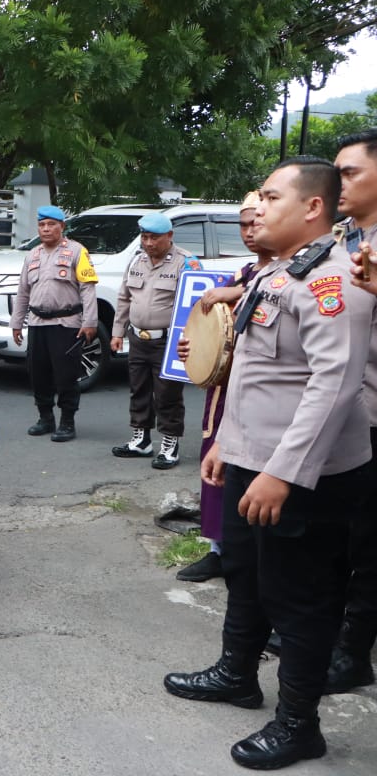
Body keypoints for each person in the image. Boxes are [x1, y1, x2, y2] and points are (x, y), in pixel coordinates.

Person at [165, 157, 374, 770]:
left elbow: (334, 385)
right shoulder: (279, 275)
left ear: (314, 208)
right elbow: (254, 372)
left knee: (303, 599)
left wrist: (283, 472)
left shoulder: (334, 282)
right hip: (253, 460)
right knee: (245, 570)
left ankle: (298, 723)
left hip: (305, 475)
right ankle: (236, 673)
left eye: (272, 197)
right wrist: (230, 443)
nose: (257, 207)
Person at [173, 192, 269, 583]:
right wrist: (192, 350)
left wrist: (239, 293)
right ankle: (218, 549)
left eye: (255, 223)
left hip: (262, 396)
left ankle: (248, 559)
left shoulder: (289, 272)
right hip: (224, 391)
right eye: (243, 225)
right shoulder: (243, 272)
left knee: (250, 474)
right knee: (213, 464)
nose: (248, 232)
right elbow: (216, 333)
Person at [336, 127, 377, 693]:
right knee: (343, 535)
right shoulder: (341, 238)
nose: (337, 181)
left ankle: (353, 651)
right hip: (344, 410)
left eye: (350, 173)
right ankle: (329, 631)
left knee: (369, 542)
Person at [109, 213, 200, 468]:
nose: (148, 243)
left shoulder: (186, 263)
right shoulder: (137, 260)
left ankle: (170, 444)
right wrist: (117, 332)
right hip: (138, 338)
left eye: (154, 238)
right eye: (145, 237)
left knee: (167, 394)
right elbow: (124, 298)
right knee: (138, 389)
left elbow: (195, 306)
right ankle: (141, 440)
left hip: (168, 342)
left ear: (169, 236)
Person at [9, 205, 98, 442]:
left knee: (66, 375)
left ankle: (67, 422)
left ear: (62, 227)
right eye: (42, 225)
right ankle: (45, 418)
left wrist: (90, 322)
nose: (46, 229)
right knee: (38, 373)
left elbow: (88, 289)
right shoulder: (32, 255)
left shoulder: (78, 251)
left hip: (66, 322)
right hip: (37, 323)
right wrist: (16, 323)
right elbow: (22, 291)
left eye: (51, 224)